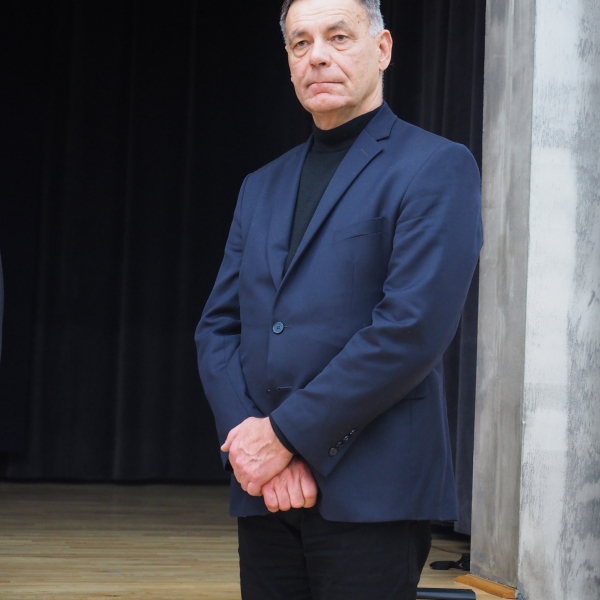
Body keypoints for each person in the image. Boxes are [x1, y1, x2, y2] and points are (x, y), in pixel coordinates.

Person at [195, 0, 482, 597]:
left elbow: (410, 331)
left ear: (382, 49)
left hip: (373, 492)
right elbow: (218, 328)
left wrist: (284, 438)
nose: (317, 56)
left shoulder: (436, 166)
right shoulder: (260, 185)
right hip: (265, 492)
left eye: (338, 36)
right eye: (300, 43)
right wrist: (252, 444)